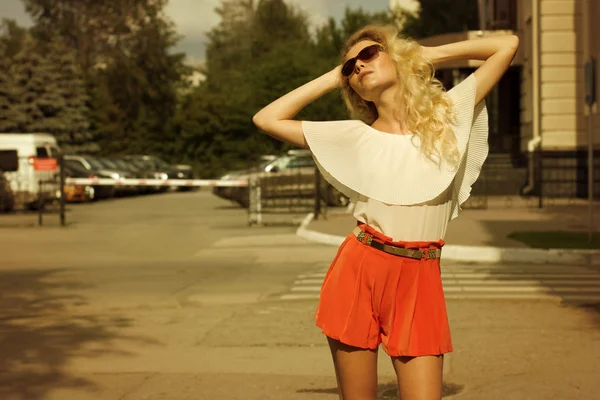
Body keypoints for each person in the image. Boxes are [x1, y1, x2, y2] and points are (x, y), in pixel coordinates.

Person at [253, 24, 519, 400]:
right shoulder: (356, 137)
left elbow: (506, 45)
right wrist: (333, 77)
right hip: (360, 269)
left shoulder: (448, 115)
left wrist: (422, 54)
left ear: (396, 56)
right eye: (350, 68)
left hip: (420, 276)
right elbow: (266, 119)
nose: (358, 67)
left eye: (369, 54)